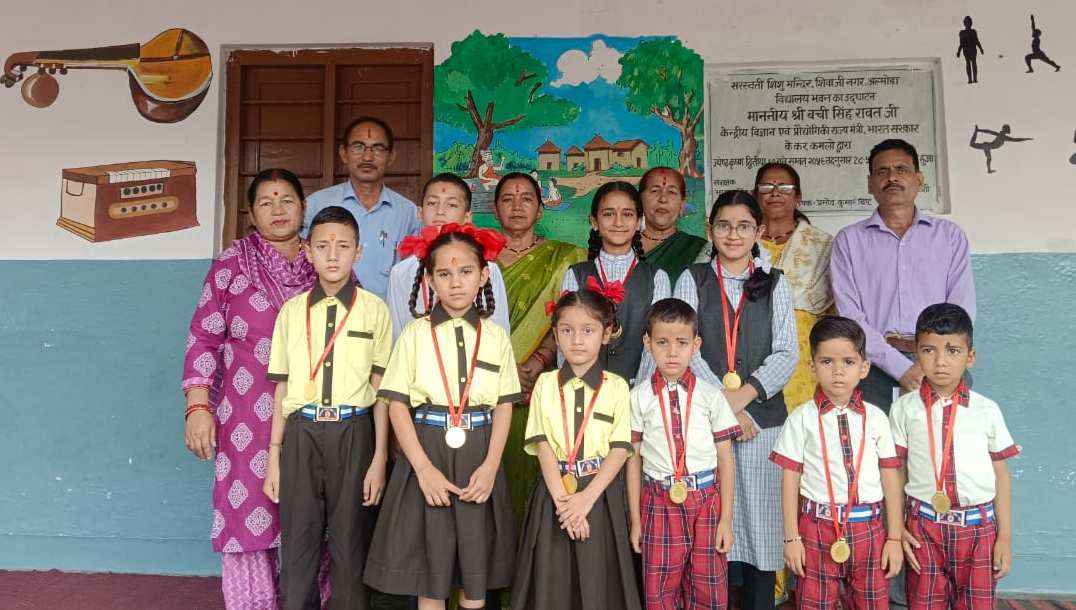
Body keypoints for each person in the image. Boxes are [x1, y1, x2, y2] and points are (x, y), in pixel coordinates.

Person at [182, 168, 329, 609]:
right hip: (247, 414)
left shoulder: (325, 260)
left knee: (316, 516)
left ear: (303, 208)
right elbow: (204, 336)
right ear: (251, 212)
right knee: (248, 516)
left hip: (314, 414)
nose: (278, 209)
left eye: (287, 199)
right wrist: (198, 406)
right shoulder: (230, 265)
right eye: (266, 201)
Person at [364, 224, 521, 610]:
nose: (456, 283)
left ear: (483, 275)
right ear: (430, 280)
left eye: (466, 272)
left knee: (475, 572)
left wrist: (490, 467)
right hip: (429, 451)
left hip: (480, 454)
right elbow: (397, 403)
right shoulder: (415, 335)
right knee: (430, 575)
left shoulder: (496, 337)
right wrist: (423, 469)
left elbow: (504, 405)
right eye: (444, 274)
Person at [262, 205, 391, 610]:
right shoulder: (291, 311)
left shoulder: (375, 310)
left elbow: (382, 390)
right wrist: (274, 457)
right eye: (322, 246)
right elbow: (281, 387)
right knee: (298, 543)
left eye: (343, 246)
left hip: (356, 433)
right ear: (307, 251)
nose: (332, 255)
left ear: (359, 251)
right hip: (302, 433)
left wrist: (379, 458)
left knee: (351, 544)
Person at [675, 189, 798, 610]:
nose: (733, 234)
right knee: (716, 527)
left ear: (758, 231)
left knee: (762, 528)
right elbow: (684, 347)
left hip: (763, 422)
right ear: (710, 230)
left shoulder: (776, 283)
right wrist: (724, 407)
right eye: (723, 225)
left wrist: (742, 399)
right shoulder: (691, 279)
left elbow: (787, 353)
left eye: (744, 225)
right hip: (708, 425)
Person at [511, 287, 641, 610]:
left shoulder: (617, 387)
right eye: (567, 331)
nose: (578, 340)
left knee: (599, 581)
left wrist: (584, 500)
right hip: (555, 496)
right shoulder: (544, 384)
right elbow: (542, 444)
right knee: (552, 582)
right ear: (555, 334)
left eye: (588, 330)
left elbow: (620, 449)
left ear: (606, 333)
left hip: (599, 495)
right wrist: (565, 506)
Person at [830, 139, 976, 413]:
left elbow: (960, 310)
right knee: (877, 453)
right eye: (882, 172)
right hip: (873, 368)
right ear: (870, 183)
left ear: (919, 179)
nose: (892, 177)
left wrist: (928, 361)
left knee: (942, 452)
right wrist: (901, 367)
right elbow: (850, 316)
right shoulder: (849, 241)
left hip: (940, 366)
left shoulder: (949, 237)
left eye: (902, 169)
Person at [770, 316, 904, 609]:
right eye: (827, 362)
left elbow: (891, 478)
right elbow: (789, 480)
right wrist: (791, 538)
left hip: (869, 528)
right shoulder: (801, 418)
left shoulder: (878, 418)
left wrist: (894, 537)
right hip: (816, 527)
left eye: (848, 361)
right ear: (812, 367)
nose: (838, 371)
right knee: (814, 603)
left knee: (871, 603)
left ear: (864, 367)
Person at [890, 304, 1017, 610]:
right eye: (929, 350)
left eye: (953, 351)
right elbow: (896, 472)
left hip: (978, 531)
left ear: (970, 357)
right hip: (923, 527)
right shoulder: (904, 409)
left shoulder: (987, 410)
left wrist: (1005, 539)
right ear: (916, 354)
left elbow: (1001, 475)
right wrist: (896, 530)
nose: (941, 361)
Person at [627, 298, 740, 609]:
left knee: (708, 588)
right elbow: (632, 462)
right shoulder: (637, 398)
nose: (672, 352)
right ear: (647, 343)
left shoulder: (711, 396)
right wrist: (636, 520)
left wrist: (726, 519)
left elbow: (726, 460)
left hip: (706, 501)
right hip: (658, 501)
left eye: (681, 342)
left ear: (696, 344)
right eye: (662, 342)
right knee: (660, 587)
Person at [492, 172, 586, 523]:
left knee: (535, 477)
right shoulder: (476, 260)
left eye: (527, 198)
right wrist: (499, 374)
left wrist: (537, 363)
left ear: (540, 210)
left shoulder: (564, 258)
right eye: (508, 199)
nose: (517, 206)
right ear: (495, 210)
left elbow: (570, 317)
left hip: (539, 388)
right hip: (483, 390)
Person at [563, 180, 672, 387]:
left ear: (640, 221)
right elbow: (565, 341)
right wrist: (580, 388)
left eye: (628, 214)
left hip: (640, 393)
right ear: (594, 221)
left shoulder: (657, 278)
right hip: (585, 392)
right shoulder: (575, 275)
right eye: (608, 213)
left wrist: (639, 392)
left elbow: (659, 341)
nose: (618, 222)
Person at [304, 116, 422, 299]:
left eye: (378, 148)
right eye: (358, 147)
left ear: (391, 156)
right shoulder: (316, 205)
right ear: (344, 153)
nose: (367, 156)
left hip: (387, 322)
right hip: (328, 319)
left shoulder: (408, 213)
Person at [386, 172, 510, 338]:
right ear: (420, 213)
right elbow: (396, 335)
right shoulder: (401, 272)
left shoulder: (488, 269)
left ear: (467, 217)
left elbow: (500, 331)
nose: (440, 211)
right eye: (432, 203)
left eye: (451, 205)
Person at [755, 162, 834, 414]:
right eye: (767, 186)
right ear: (756, 195)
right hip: (750, 353)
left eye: (785, 187)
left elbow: (837, 314)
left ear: (798, 197)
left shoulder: (823, 246)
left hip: (805, 359)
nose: (775, 192)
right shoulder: (736, 243)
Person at [638, 166, 708, 283]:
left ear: (682, 204)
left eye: (671, 192)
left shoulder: (699, 249)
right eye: (655, 190)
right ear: (640, 200)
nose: (663, 199)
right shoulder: (623, 245)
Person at [957, 16, 984, 84]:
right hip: (966, 50)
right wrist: (959, 51)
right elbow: (961, 43)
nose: (968, 24)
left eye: (969, 22)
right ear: (964, 23)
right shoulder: (962, 33)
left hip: (973, 50)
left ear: (971, 23)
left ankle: (974, 78)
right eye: (967, 23)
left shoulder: (973, 31)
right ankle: (970, 79)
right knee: (968, 63)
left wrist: (981, 49)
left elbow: (977, 41)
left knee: (974, 63)